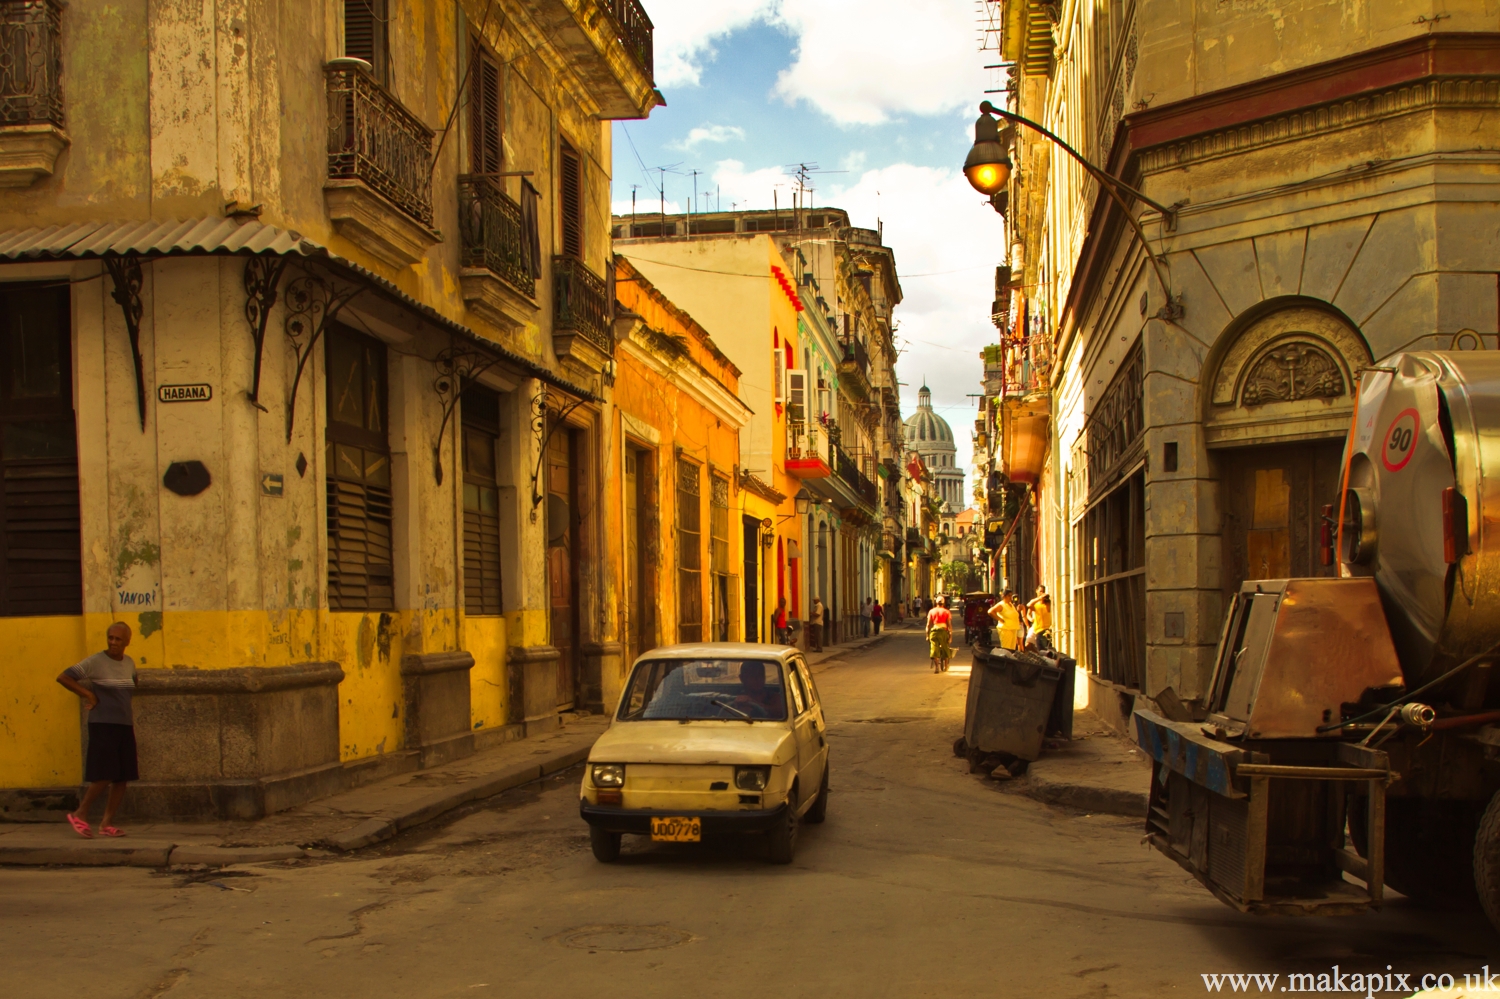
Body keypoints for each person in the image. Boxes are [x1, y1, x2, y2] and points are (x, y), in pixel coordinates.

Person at [56, 623, 139, 838]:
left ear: (127, 641)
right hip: (103, 724)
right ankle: (81, 813)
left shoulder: (129, 663)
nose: (113, 642)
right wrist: (89, 695)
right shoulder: (95, 661)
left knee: (122, 776)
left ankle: (106, 823)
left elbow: (131, 688)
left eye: (118, 639)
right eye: (110, 638)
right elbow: (64, 677)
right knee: (104, 773)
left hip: (124, 725)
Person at [926, 596, 953, 673]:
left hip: (934, 631)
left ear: (936, 603)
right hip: (943, 631)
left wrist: (927, 635)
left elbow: (928, 625)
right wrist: (950, 636)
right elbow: (949, 625)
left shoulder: (931, 611)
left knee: (934, 649)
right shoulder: (946, 612)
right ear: (943, 603)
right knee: (945, 648)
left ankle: (937, 667)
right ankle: (946, 666)